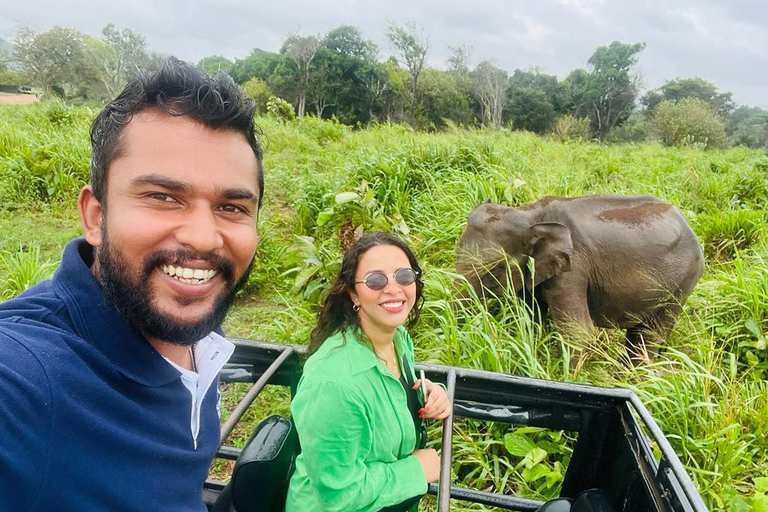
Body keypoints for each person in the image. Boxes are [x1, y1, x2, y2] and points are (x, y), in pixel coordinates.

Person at [0, 57, 263, 511]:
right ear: (96, 216)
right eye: (163, 197)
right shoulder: (29, 381)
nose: (203, 237)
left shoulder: (198, 337)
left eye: (232, 207)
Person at [286, 232, 452, 512]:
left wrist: (429, 394)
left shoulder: (397, 339)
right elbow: (339, 494)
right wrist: (416, 470)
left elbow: (386, 393)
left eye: (403, 276)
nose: (393, 288)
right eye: (376, 280)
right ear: (353, 293)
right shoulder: (333, 384)